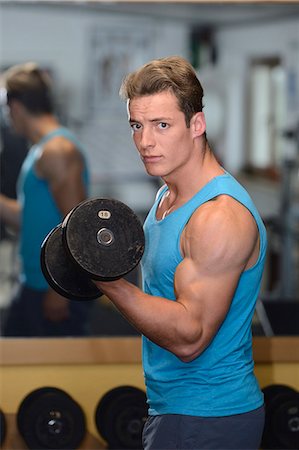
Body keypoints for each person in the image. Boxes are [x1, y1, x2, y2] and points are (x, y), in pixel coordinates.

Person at [94, 56, 267, 450]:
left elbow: (191, 337)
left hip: (210, 416)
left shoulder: (218, 216)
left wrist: (110, 284)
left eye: (162, 125)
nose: (145, 141)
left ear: (197, 125)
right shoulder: (166, 196)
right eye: (137, 126)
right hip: (173, 407)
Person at [0, 62, 92, 337]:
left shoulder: (58, 151)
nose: (7, 117)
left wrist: (60, 291)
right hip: (33, 286)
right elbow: (28, 218)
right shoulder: (41, 151)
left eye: (6, 110)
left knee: (53, 378)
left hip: (52, 290)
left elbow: (78, 228)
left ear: (15, 107)